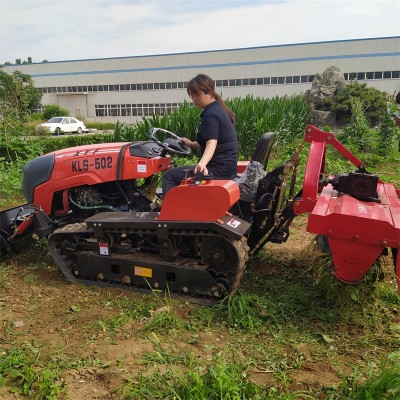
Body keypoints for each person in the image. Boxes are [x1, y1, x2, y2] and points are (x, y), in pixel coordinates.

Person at [162, 74, 238, 195]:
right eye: (192, 96)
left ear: (209, 92)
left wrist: (202, 164)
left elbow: (211, 143)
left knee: (169, 176)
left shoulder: (211, 115)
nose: (194, 99)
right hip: (227, 169)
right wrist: (191, 144)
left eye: (197, 95)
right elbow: (210, 139)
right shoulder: (219, 109)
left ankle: (170, 212)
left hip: (216, 171)